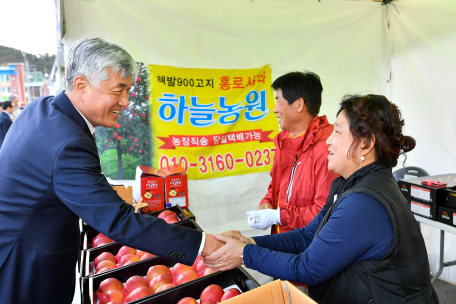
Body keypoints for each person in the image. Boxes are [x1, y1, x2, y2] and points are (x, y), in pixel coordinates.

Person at [0, 37, 224, 304]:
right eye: (118, 90)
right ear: (81, 85)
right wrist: (202, 244)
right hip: (25, 269)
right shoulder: (68, 141)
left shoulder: (44, 109)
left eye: (129, 90)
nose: (126, 102)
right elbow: (117, 221)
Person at [204, 94, 439, 304]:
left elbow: (307, 268)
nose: (328, 140)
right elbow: (308, 236)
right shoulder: (351, 185)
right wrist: (252, 243)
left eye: (337, 131)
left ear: (366, 144)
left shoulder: (365, 203)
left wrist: (244, 254)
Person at [246, 71, 338, 234]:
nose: (274, 110)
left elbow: (324, 212)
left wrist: (278, 216)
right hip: (283, 239)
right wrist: (267, 203)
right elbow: (276, 186)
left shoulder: (326, 147)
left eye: (278, 101)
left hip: (308, 247)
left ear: (299, 104)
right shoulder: (283, 141)